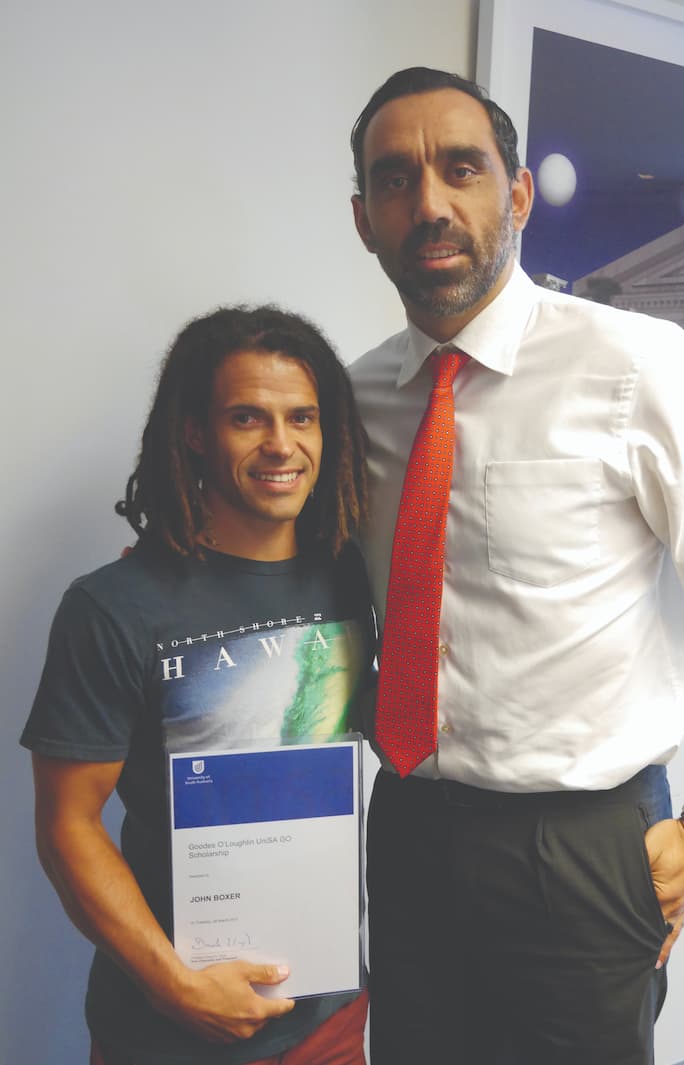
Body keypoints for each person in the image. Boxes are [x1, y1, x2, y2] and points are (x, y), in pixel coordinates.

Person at [348, 66, 684, 1065]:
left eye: (459, 168)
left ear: (512, 195)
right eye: (394, 179)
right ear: (361, 218)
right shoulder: (356, 398)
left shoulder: (637, 366)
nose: (428, 203)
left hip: (583, 848)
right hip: (411, 830)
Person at [21, 306, 373, 1065]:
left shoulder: (351, 575)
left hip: (329, 1021)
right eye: (248, 418)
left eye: (301, 417)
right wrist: (175, 984)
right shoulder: (114, 606)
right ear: (193, 432)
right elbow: (67, 828)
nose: (281, 444)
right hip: (168, 1029)